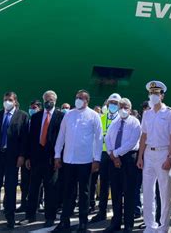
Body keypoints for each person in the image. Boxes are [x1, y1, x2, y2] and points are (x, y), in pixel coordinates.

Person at [53, 90, 103, 233]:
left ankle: (82, 223)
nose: (78, 100)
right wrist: (57, 155)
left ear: (87, 100)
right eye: (76, 97)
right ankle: (64, 221)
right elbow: (61, 136)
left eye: (81, 98)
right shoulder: (68, 115)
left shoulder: (93, 116)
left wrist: (97, 159)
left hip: (85, 161)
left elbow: (99, 139)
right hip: (69, 160)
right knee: (68, 191)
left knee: (84, 193)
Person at [137, 81, 171, 233]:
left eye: (156, 93)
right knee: (147, 192)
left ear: (162, 95)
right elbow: (143, 136)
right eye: (151, 93)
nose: (153, 96)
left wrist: (169, 157)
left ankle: (163, 226)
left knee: (164, 192)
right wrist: (140, 157)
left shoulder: (170, 113)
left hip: (163, 153)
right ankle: (150, 225)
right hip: (148, 153)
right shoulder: (147, 113)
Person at [0, 92, 29, 229]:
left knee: (10, 188)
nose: (7, 102)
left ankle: (10, 217)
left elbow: (24, 139)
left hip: (12, 158)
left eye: (10, 100)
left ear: (15, 101)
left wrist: (22, 155)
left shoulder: (23, 116)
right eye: (5, 100)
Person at [23, 91, 64, 227]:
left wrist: (59, 157)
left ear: (55, 101)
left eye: (51, 99)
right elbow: (30, 138)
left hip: (52, 159)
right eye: (46, 99)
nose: (48, 101)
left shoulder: (61, 117)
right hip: (36, 158)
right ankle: (30, 215)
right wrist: (28, 156)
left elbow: (63, 139)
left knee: (50, 188)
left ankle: (50, 217)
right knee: (33, 187)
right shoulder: (36, 117)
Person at [104, 98, 141, 232]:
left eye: (125, 107)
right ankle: (115, 222)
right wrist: (112, 154)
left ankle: (128, 225)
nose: (122, 109)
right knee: (115, 191)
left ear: (130, 109)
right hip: (114, 158)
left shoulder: (135, 122)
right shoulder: (115, 122)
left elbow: (132, 141)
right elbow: (107, 138)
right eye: (121, 106)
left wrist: (116, 154)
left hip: (129, 159)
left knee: (129, 192)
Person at [90, 93, 122, 223]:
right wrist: (95, 157)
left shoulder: (122, 119)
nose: (113, 105)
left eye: (115, 103)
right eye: (111, 103)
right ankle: (101, 212)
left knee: (116, 186)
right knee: (103, 186)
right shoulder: (101, 118)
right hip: (103, 155)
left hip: (116, 155)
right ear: (107, 104)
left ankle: (117, 215)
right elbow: (95, 139)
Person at [17, 100, 43, 214]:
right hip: (26, 157)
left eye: (35, 107)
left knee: (37, 183)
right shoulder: (26, 120)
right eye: (31, 107)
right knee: (24, 182)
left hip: (37, 158)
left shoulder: (40, 121)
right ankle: (23, 203)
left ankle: (38, 203)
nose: (32, 109)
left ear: (39, 108)